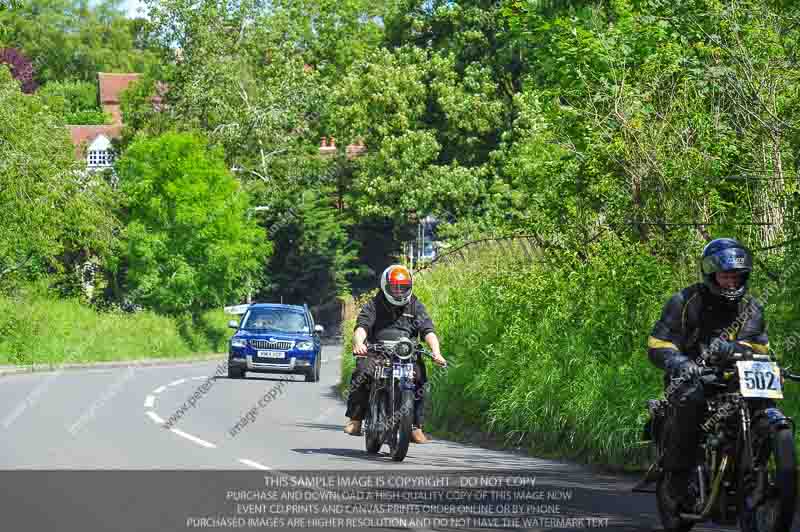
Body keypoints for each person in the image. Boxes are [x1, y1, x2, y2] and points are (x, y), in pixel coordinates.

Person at [647, 238, 769, 509]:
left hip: (735, 379)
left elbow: (760, 347)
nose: (731, 282)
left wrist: (737, 349)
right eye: (726, 276)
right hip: (692, 378)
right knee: (692, 400)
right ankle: (677, 480)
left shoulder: (752, 307)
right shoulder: (685, 301)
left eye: (736, 276)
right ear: (712, 275)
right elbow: (658, 343)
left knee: (765, 401)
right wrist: (681, 364)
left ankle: (756, 466)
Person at [344, 264, 447, 444]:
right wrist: (359, 343)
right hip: (377, 351)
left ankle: (415, 426)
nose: (399, 291)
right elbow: (362, 327)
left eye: (403, 287)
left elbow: (428, 330)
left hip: (406, 354)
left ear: (410, 286)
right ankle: (356, 419)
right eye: (394, 287)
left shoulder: (414, 304)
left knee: (421, 379)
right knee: (362, 372)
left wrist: (436, 352)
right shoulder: (375, 304)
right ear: (386, 285)